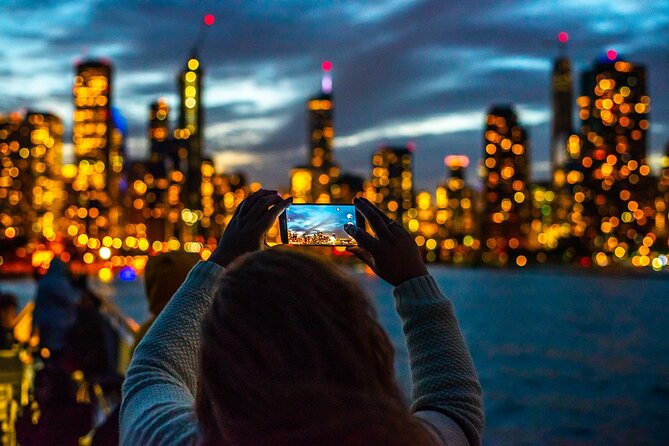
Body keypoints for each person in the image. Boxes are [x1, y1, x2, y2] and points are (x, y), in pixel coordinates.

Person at [121, 190, 484, 445]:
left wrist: (222, 260)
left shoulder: (172, 439)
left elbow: (153, 370)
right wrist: (413, 281)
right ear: (367, 350)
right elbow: (454, 410)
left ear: (220, 362)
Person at [33, 258, 78, 359]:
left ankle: (47, 369)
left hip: (45, 322)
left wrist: (34, 324)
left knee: (46, 349)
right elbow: (70, 301)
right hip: (62, 323)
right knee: (60, 351)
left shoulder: (44, 282)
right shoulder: (63, 284)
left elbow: (38, 304)